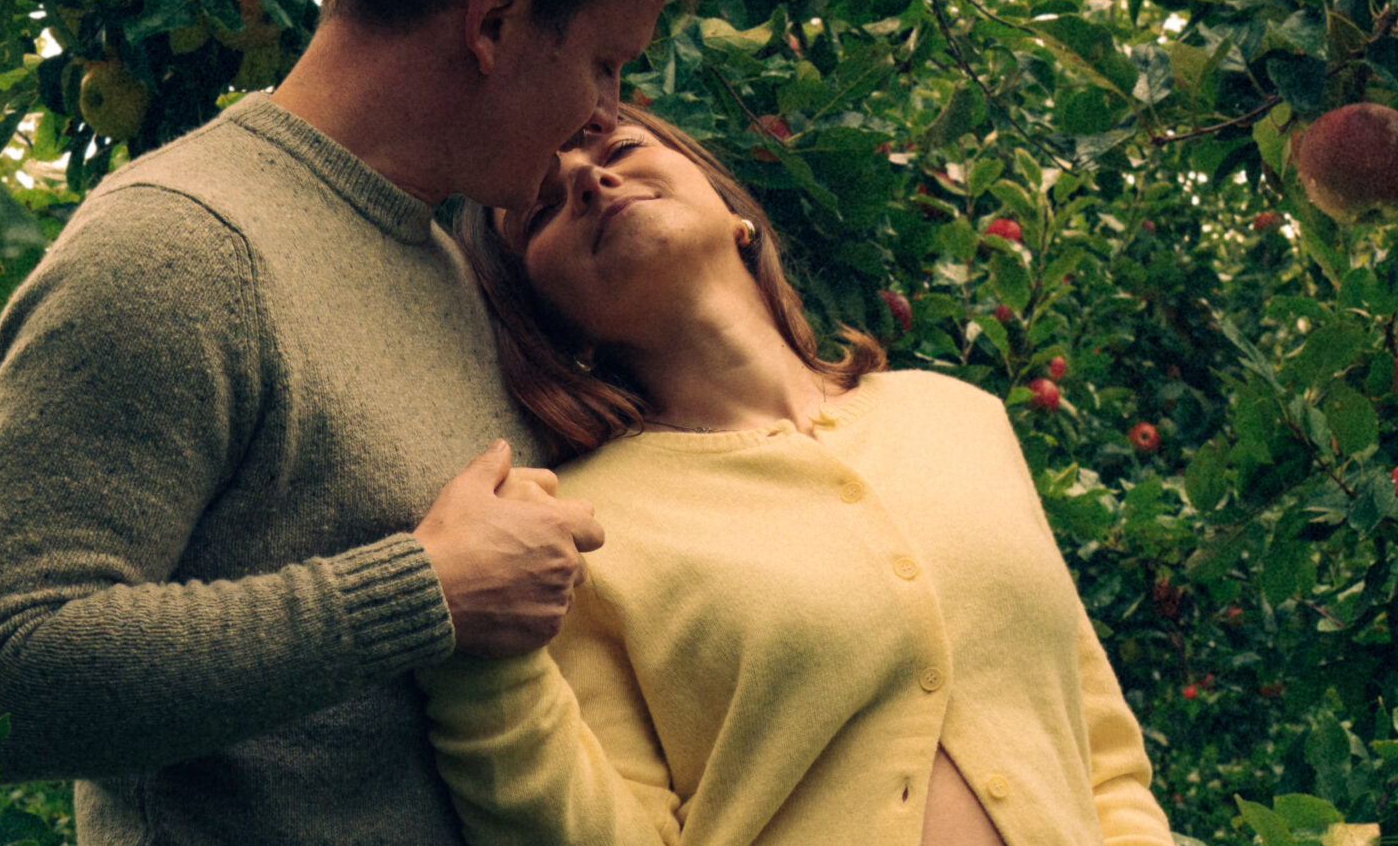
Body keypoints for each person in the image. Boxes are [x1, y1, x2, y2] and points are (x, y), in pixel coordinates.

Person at [0, 0, 714, 845]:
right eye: (605, 63)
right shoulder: (180, 247)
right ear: (494, 20)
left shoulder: (438, 262)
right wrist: (419, 591)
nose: (603, 115)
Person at [424, 105, 1176, 846]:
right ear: (546, 318)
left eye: (616, 144)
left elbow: (1101, 753)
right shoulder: (581, 526)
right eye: (543, 208)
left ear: (733, 212)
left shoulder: (963, 418)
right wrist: (480, 665)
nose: (587, 178)